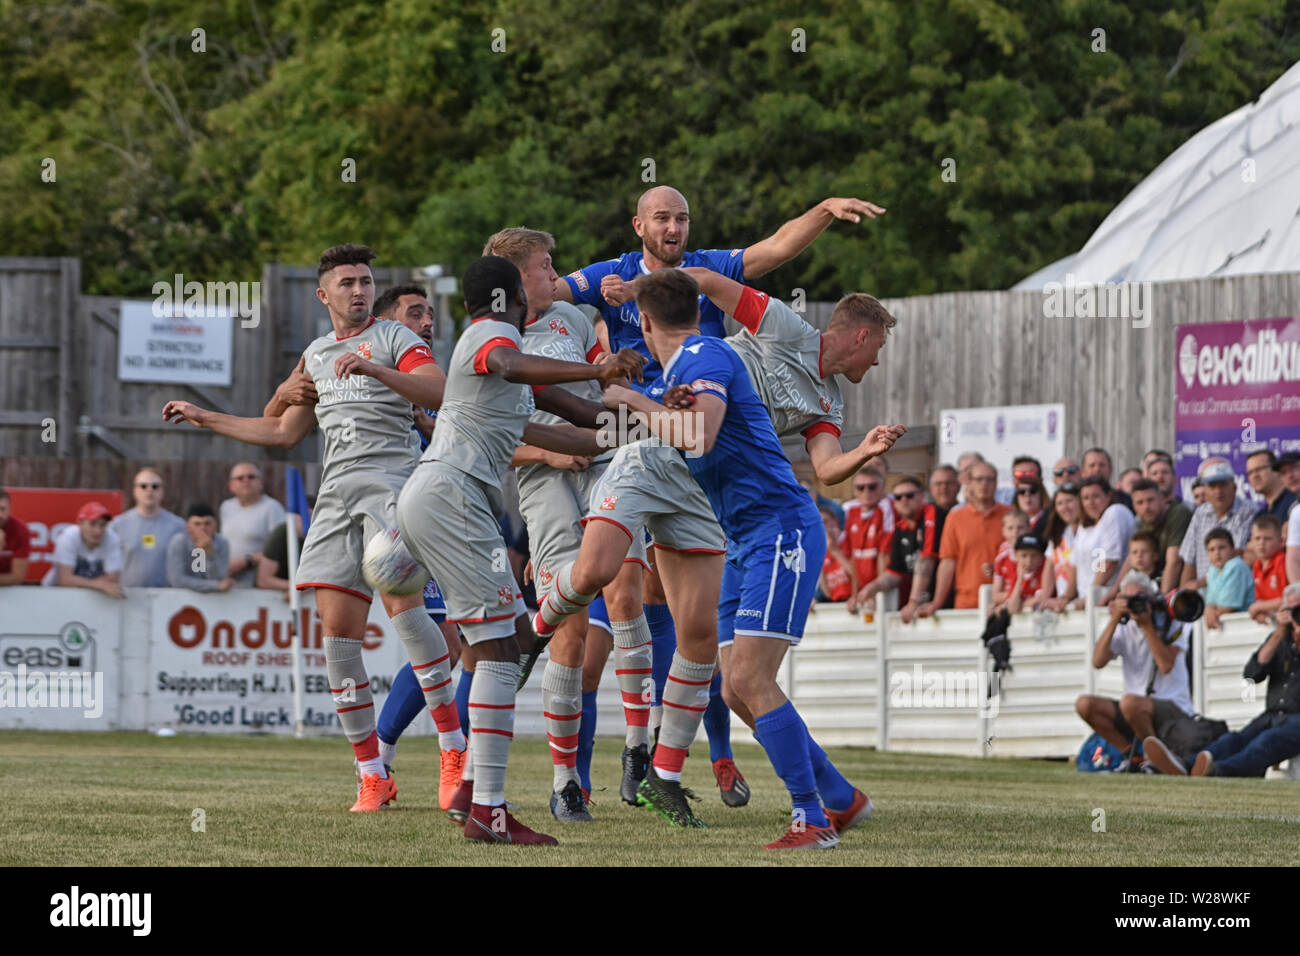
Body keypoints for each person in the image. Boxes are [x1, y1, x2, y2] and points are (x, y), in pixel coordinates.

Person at [537, 270, 880, 848]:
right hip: (743, 535)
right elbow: (646, 427)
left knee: (747, 675)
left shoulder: (707, 355)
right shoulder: (699, 364)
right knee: (732, 687)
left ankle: (811, 818)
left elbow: (697, 434)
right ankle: (840, 799)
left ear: (645, 324)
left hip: (779, 531)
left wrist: (627, 392)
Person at [163, 243, 466, 815]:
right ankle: (372, 774)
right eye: (347, 282)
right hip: (335, 498)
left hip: (393, 488)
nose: (359, 290)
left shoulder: (397, 338)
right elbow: (281, 433)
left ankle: (453, 751)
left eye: (366, 281)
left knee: (406, 613)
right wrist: (207, 417)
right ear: (322, 294)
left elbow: (442, 392)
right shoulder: (317, 353)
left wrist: (377, 367)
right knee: (337, 639)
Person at [395, 255, 642, 845]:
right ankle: (489, 811)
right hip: (451, 496)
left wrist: (659, 422)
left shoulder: (507, 371)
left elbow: (581, 419)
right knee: (501, 649)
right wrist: (598, 364)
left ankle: (474, 795)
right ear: (507, 298)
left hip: (444, 496)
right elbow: (510, 363)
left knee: (503, 644)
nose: (551, 282)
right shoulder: (494, 336)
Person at [555, 185, 885, 379]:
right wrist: (592, 359)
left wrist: (825, 208)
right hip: (642, 416)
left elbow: (777, 247)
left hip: (707, 402)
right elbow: (547, 294)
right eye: (663, 219)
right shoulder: (609, 272)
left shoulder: (711, 265)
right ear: (638, 226)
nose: (674, 228)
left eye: (682, 219)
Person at [1146, 583, 1300, 777]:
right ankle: (1184, 765)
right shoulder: (1279, 637)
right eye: (1291, 609)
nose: (1295, 614)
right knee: (1234, 739)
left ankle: (1217, 770)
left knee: (1266, 742)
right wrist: (1279, 632)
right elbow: (1252, 674)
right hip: (1273, 715)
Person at [1074, 571, 1194, 772]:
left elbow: (1165, 665)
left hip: (1173, 706)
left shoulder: (1170, 621)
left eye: (1139, 598)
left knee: (1129, 702)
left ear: (1151, 599)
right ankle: (1131, 756)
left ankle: (1154, 759)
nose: (1133, 604)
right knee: (1085, 704)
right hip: (1134, 707)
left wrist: (1147, 626)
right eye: (1127, 599)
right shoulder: (1123, 625)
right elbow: (1097, 661)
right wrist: (1114, 619)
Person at [918, 461, 1009, 613]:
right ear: (969, 483)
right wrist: (937, 602)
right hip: (966, 602)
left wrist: (1000, 568)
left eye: (989, 479)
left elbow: (1020, 558)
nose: (984, 484)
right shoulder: (956, 517)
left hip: (1003, 602)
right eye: (979, 479)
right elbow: (947, 562)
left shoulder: (1010, 515)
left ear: (996, 483)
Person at [1100, 477, 1191, 601]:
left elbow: (1174, 561)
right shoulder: (1140, 521)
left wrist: (1161, 600)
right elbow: (1130, 559)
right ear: (1134, 506)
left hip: (1183, 587)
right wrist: (1113, 593)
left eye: (1150, 500)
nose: (1146, 507)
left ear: (1162, 500)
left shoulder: (1178, 513)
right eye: (1140, 503)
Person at [374, 283, 439, 447]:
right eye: (416, 315)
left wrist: (424, 422)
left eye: (430, 316)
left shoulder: (439, 385)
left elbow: (462, 449)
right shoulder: (361, 379)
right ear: (383, 324)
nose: (428, 322)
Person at [1178, 459, 1258, 590]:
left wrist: (1202, 582)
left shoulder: (1249, 512)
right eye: (1212, 486)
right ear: (1205, 491)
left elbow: (1238, 556)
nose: (1218, 491)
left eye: (1223, 485)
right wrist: (1185, 594)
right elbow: (1189, 560)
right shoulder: (1200, 513)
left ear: (1234, 487)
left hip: (1234, 590)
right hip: (1203, 594)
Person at [110, 468, 187, 588]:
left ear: (162, 491)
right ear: (135, 491)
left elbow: (195, 560)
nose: (149, 490)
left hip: (167, 597)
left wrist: (202, 578)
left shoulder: (178, 525)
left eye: (155, 486)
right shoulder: (117, 525)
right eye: (143, 486)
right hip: (127, 597)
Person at [1070, 476, 1135, 609]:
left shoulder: (1115, 512)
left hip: (1108, 599)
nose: (1091, 502)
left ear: (1108, 496)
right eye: (1085, 498)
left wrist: (1092, 595)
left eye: (1096, 496)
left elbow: (1108, 561)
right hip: (1086, 601)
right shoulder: (1084, 526)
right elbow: (1075, 565)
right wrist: (1066, 598)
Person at [880, 475, 942, 614]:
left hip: (941, 601)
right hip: (922, 602)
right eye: (898, 497)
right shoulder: (900, 528)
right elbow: (893, 572)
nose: (904, 500)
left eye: (909, 495)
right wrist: (868, 591)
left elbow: (926, 560)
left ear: (922, 497)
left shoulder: (931, 513)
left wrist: (913, 601)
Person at [218, 463, 285, 588]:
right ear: (231, 486)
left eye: (251, 477)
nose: (246, 481)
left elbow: (281, 549)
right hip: (229, 582)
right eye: (240, 478)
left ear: (260, 483)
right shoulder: (226, 507)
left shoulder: (272, 508)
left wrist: (246, 561)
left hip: (259, 583)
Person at [40, 501, 124, 597]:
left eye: (102, 525)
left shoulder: (112, 538)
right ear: (80, 523)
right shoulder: (68, 536)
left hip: (94, 597)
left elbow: (112, 580)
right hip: (55, 594)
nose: (98, 531)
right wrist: (99, 584)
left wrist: (80, 582)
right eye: (92, 524)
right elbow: (65, 580)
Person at [844, 463, 895, 610]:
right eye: (860, 487)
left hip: (883, 588)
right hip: (864, 590)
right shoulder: (851, 511)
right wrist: (855, 594)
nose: (866, 491)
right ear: (854, 491)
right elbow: (853, 557)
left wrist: (876, 591)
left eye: (872, 487)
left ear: (882, 487)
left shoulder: (886, 507)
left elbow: (884, 554)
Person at [166, 503, 234, 592]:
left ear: (215, 525)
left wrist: (210, 555)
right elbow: (177, 580)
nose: (203, 528)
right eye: (197, 524)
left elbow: (221, 579)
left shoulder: (222, 543)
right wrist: (214, 586)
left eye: (207, 523)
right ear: (188, 527)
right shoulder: (178, 542)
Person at [1040, 483, 1082, 612]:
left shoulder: (1093, 532)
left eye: (1069, 501)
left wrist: (1067, 597)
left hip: (1086, 601)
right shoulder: (1058, 534)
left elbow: (1101, 567)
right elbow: (1049, 568)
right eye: (1059, 503)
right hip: (1064, 605)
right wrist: (1044, 598)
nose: (1065, 507)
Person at [1202, 528, 1254, 629]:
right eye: (1211, 549)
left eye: (1222, 548)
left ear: (1233, 549)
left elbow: (1228, 607)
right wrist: (1209, 609)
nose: (1217, 553)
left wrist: (1210, 613)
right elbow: (1211, 602)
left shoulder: (1237, 566)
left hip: (1246, 624)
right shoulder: (1213, 570)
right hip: (1229, 626)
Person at [993, 533, 1050, 614]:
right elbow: (1012, 608)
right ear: (1016, 556)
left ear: (1041, 557)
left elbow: (1040, 599)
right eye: (1024, 556)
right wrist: (1020, 580)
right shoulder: (1017, 574)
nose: (1029, 561)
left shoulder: (1044, 573)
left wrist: (1019, 604)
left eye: (1034, 556)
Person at [1247, 514, 1287, 625]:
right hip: (1274, 621)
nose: (1261, 543)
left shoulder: (1282, 561)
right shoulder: (1256, 565)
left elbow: (1287, 599)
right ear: (1251, 541)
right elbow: (1260, 599)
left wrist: (1259, 607)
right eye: (1257, 538)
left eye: (1267, 538)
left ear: (1281, 541)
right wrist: (1261, 612)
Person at [1246, 449, 1298, 523]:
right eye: (1250, 472)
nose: (1255, 475)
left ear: (1276, 470)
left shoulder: (1295, 501)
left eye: (1259, 469)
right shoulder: (1260, 515)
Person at [818, 506, 855, 604]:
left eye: (824, 522)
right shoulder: (822, 548)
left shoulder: (848, 540)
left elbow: (857, 575)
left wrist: (835, 552)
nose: (822, 527)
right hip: (836, 602)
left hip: (854, 598)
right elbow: (827, 592)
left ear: (835, 521)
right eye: (818, 524)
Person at [0, 489, 32, 586]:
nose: (0, 514)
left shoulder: (20, 530)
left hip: (9, 590)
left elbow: (17, 577)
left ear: (10, 509)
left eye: (2, 509)